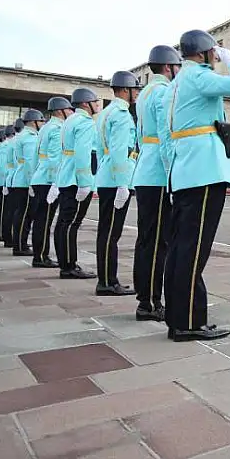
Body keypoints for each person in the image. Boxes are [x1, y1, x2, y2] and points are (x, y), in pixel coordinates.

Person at [162, 30, 230, 342]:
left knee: (181, 248)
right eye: (213, 52)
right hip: (203, 171)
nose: (216, 57)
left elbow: (165, 137)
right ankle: (188, 321)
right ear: (203, 53)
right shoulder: (198, 77)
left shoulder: (176, 84)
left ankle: (180, 317)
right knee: (193, 249)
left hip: (186, 171)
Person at [131, 45, 181, 321]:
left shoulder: (146, 92)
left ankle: (145, 298)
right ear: (168, 67)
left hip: (145, 171)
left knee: (147, 239)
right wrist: (172, 172)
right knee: (158, 242)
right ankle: (149, 302)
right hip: (158, 174)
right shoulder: (163, 92)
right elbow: (166, 135)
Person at [94, 71, 141, 296]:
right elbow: (119, 151)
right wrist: (123, 183)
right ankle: (107, 282)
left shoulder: (105, 113)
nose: (137, 94)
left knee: (106, 231)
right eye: (135, 89)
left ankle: (106, 279)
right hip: (116, 180)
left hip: (106, 177)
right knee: (111, 233)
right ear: (126, 90)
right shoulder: (121, 115)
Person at [50, 87, 101, 280]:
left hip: (65, 177)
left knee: (63, 223)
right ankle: (69, 266)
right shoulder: (85, 122)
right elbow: (83, 153)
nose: (97, 105)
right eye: (95, 102)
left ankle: (65, 263)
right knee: (71, 224)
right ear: (86, 104)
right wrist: (85, 182)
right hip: (75, 179)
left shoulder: (69, 121)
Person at [28, 97, 72, 268]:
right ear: (61, 111)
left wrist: (32, 179)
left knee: (41, 219)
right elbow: (55, 159)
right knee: (44, 221)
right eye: (68, 109)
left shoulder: (45, 128)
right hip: (48, 179)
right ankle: (40, 256)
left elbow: (35, 157)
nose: (71, 112)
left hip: (40, 177)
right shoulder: (57, 129)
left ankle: (40, 254)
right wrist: (56, 182)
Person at [10, 109, 47, 256]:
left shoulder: (22, 136)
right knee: (25, 215)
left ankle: (20, 243)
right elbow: (30, 162)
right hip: (25, 181)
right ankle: (20, 246)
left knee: (22, 214)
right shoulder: (30, 137)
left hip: (20, 179)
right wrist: (32, 182)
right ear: (34, 122)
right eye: (41, 121)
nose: (42, 124)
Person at [2, 120, 25, 248]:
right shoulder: (18, 141)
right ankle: (14, 240)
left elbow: (8, 165)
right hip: (19, 178)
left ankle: (8, 238)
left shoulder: (10, 143)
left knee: (10, 211)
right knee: (17, 212)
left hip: (11, 178)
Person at [0, 126, 15, 243]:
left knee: (1, 209)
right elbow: (4, 166)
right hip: (4, 180)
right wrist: (7, 181)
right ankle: (2, 234)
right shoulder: (7, 146)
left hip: (0, 180)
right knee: (5, 210)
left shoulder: (2, 146)